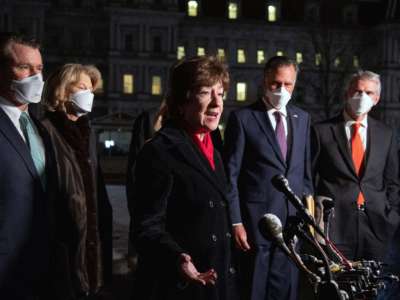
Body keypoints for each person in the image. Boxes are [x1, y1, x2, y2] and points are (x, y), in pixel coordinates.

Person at [131, 55, 238, 300]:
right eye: (204, 93)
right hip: (181, 287)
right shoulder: (159, 151)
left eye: (220, 94)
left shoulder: (216, 147)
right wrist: (176, 258)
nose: (216, 104)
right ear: (181, 102)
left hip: (219, 282)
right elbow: (146, 227)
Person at [223, 56, 313, 300]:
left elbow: (304, 173)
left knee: (287, 290)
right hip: (256, 223)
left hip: (292, 224)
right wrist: (235, 222)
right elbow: (231, 175)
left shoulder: (302, 119)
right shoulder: (243, 119)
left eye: (288, 84)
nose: (282, 90)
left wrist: (309, 215)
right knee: (255, 288)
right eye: (276, 83)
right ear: (265, 80)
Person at [41, 63, 113, 299]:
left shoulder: (87, 133)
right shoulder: (45, 130)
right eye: (83, 87)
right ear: (63, 89)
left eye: (92, 91)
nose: (89, 96)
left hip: (90, 249)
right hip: (61, 250)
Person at [311, 70, 399, 262]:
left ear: (377, 99)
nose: (362, 97)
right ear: (346, 94)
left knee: (374, 289)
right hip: (335, 227)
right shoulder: (321, 131)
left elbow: (392, 181)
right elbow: (308, 178)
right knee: (338, 288)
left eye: (368, 93)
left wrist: (392, 216)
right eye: (357, 91)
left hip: (376, 227)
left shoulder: (386, 134)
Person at [0, 32, 59, 299]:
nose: (36, 77)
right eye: (24, 67)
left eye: (40, 69)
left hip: (43, 272)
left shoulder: (39, 130)